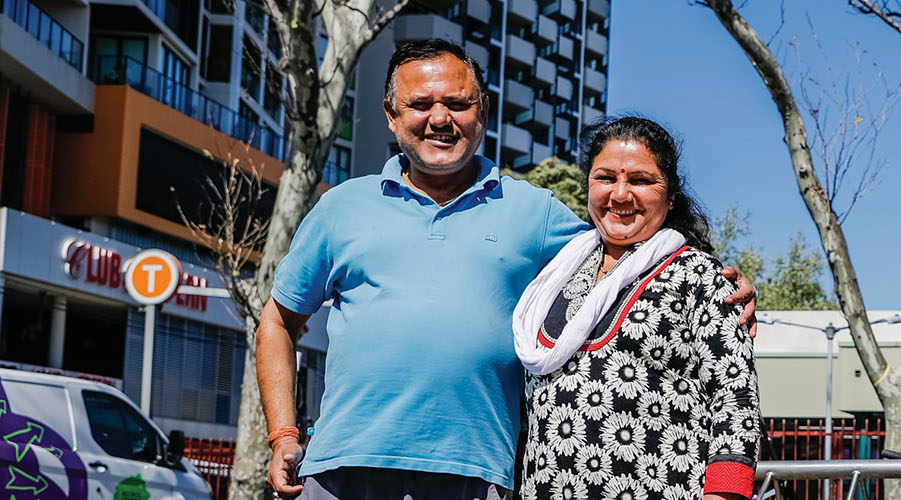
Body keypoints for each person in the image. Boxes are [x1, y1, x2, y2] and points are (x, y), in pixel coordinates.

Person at [255, 39, 757, 499]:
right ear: (390, 114)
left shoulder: (534, 212)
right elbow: (278, 322)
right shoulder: (341, 207)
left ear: (483, 111)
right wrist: (282, 435)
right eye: (421, 104)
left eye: (457, 103)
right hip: (343, 468)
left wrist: (723, 287)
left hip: (477, 475)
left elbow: (630, 243)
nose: (440, 118)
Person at [512, 116, 761, 500]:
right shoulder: (553, 277)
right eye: (606, 178)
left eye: (641, 181)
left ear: (671, 195)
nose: (621, 194)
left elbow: (736, 396)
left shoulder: (699, 277)